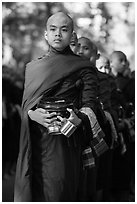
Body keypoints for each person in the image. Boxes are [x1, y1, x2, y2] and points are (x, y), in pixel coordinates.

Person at [14, 12, 103, 202]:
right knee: (33, 189)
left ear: (72, 35)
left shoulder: (83, 67)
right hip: (36, 140)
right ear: (46, 34)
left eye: (64, 30)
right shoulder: (33, 67)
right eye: (53, 29)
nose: (58, 34)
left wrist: (79, 118)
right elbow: (27, 104)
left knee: (58, 191)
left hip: (64, 141)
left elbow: (91, 103)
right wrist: (31, 114)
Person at [77, 37, 119, 201]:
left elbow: (107, 109)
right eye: (77, 46)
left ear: (95, 54)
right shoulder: (67, 74)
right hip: (73, 134)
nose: (80, 51)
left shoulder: (104, 79)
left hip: (97, 134)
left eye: (85, 48)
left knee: (96, 184)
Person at [110, 51, 135, 201]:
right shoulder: (108, 82)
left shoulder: (130, 83)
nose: (125, 63)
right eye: (121, 60)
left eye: (125, 60)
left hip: (126, 129)